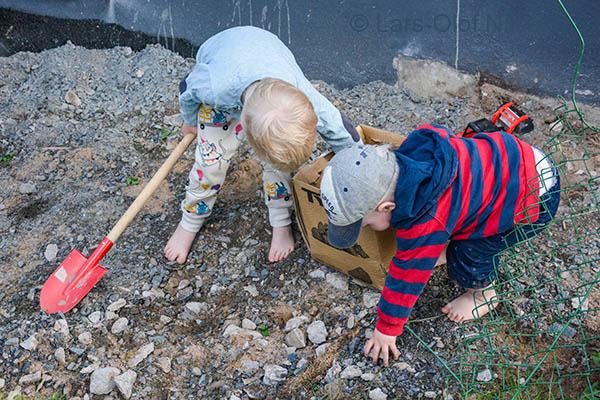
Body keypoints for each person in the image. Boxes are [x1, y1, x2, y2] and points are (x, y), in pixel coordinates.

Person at [319, 123, 560, 366]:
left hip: (533, 200)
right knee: (460, 208)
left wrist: (387, 329)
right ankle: (453, 243)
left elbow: (407, 276)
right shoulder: (416, 147)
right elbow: (437, 130)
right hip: (522, 157)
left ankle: (483, 294)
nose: (369, 229)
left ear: (387, 208)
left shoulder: (425, 220)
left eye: (368, 224)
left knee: (467, 255)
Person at [164, 26, 360, 264]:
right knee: (210, 163)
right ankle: (190, 221)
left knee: (278, 165)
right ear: (245, 131)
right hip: (222, 61)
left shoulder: (299, 92)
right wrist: (189, 121)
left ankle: (281, 221)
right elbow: (187, 88)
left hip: (268, 51)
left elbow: (340, 129)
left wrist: (359, 160)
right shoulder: (213, 88)